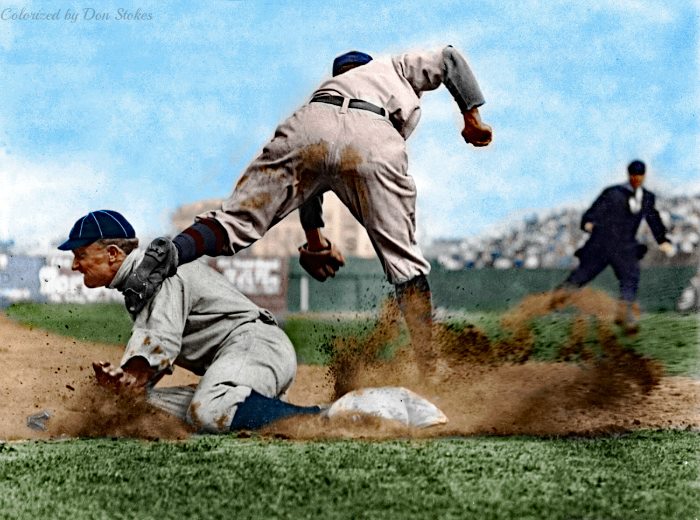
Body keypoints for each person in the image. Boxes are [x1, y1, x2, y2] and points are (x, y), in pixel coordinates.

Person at [122, 45, 493, 376]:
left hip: (309, 126)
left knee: (234, 222)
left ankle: (173, 251)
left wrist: (315, 243)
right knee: (405, 263)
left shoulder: (325, 93)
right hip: (375, 132)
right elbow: (449, 58)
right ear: (366, 68)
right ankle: (430, 368)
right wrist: (471, 118)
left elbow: (310, 183)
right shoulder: (392, 67)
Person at [58, 209, 323, 432]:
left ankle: (322, 417)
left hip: (255, 346)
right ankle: (259, 408)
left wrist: (126, 381)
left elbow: (158, 345)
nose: (74, 265)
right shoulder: (141, 281)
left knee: (207, 410)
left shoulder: (156, 273)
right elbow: (142, 376)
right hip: (239, 365)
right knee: (136, 410)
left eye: (80, 255)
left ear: (113, 253)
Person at [556, 160, 675, 332]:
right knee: (581, 276)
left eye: (640, 175)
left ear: (644, 176)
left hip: (625, 247)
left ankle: (623, 313)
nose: (637, 179)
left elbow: (653, 219)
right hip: (602, 243)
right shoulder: (613, 193)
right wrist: (588, 222)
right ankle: (551, 302)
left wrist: (662, 240)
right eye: (634, 175)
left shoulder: (647, 197)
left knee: (630, 276)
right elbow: (592, 212)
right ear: (629, 175)